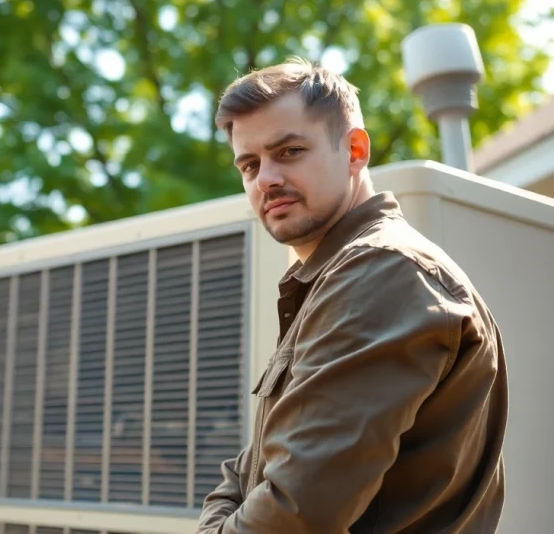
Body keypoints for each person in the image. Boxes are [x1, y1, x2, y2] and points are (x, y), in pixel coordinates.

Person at [195, 58, 508, 534]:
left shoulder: (382, 273)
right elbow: (246, 472)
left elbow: (296, 512)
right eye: (250, 164)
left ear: (356, 150)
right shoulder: (338, 277)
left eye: (290, 151)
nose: (266, 180)